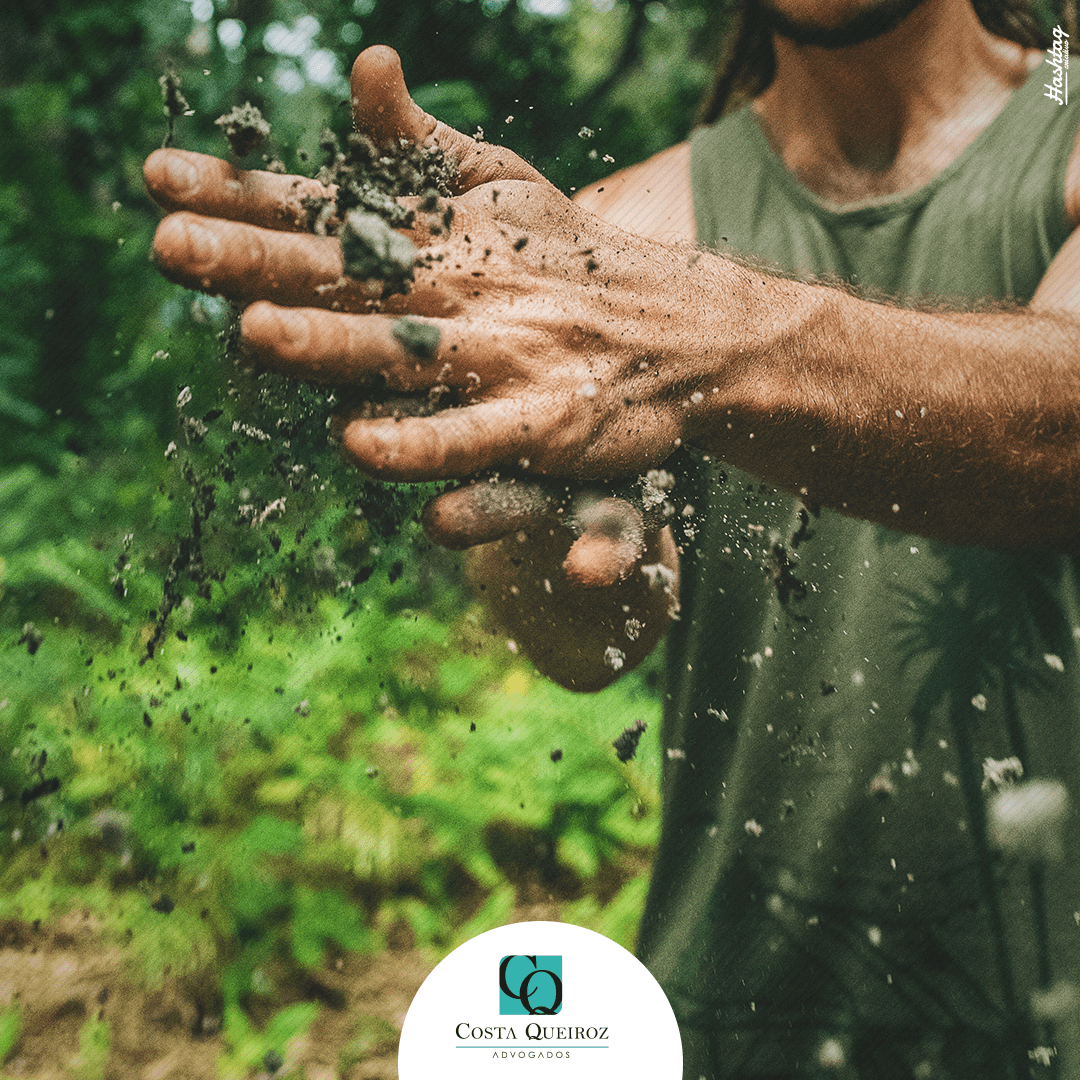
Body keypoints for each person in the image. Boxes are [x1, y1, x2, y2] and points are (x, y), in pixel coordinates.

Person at [144, 0, 1080, 1072]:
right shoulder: (618, 231)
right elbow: (590, 647)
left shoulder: (1065, 117)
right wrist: (559, 530)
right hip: (736, 1013)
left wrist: (709, 342)